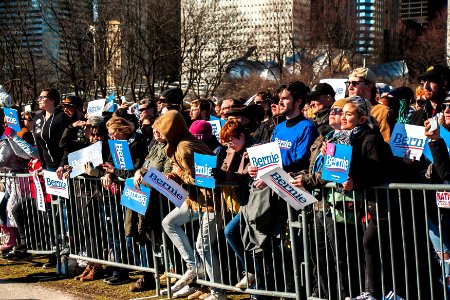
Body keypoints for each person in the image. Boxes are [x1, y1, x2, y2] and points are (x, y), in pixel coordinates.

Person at [155, 110, 226, 300]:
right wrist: (173, 175)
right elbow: (184, 174)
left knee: (204, 247)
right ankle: (194, 267)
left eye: (161, 130)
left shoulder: (185, 147)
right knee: (169, 222)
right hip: (195, 200)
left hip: (211, 201)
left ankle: (218, 292)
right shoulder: (177, 144)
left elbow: (203, 178)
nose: (157, 134)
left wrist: (180, 174)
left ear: (171, 130)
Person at [334, 97, 393, 300]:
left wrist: (355, 182)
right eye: (343, 113)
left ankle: (376, 293)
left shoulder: (370, 138)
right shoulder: (344, 138)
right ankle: (371, 292)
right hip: (367, 203)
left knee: (371, 243)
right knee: (368, 245)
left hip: (384, 204)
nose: (343, 117)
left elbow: (377, 171)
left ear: (361, 119)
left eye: (348, 114)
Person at [214, 120, 260, 290]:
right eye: (227, 142)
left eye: (231, 140)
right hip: (243, 202)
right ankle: (253, 279)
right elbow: (227, 170)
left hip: (255, 202)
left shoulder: (256, 149)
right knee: (241, 237)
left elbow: (242, 176)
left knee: (232, 232)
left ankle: (253, 274)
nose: (230, 145)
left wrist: (226, 175)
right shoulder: (232, 149)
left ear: (242, 136)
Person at [424, 97, 450, 298]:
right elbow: (444, 172)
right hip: (438, 209)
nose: (448, 110)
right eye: (445, 106)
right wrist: (435, 140)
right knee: (444, 259)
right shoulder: (439, 135)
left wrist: (436, 141)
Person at [347, 67, 394, 142]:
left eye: (354, 83)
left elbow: (385, 145)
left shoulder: (382, 112)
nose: (350, 87)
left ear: (369, 85)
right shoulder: (344, 107)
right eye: (348, 83)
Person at [33, 88, 72, 178]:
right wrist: (42, 166)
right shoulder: (38, 117)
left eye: (42, 97)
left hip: (64, 167)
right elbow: (39, 144)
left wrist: (63, 164)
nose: (39, 100)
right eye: (39, 97)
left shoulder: (62, 117)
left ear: (52, 100)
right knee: (53, 192)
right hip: (49, 166)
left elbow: (68, 143)